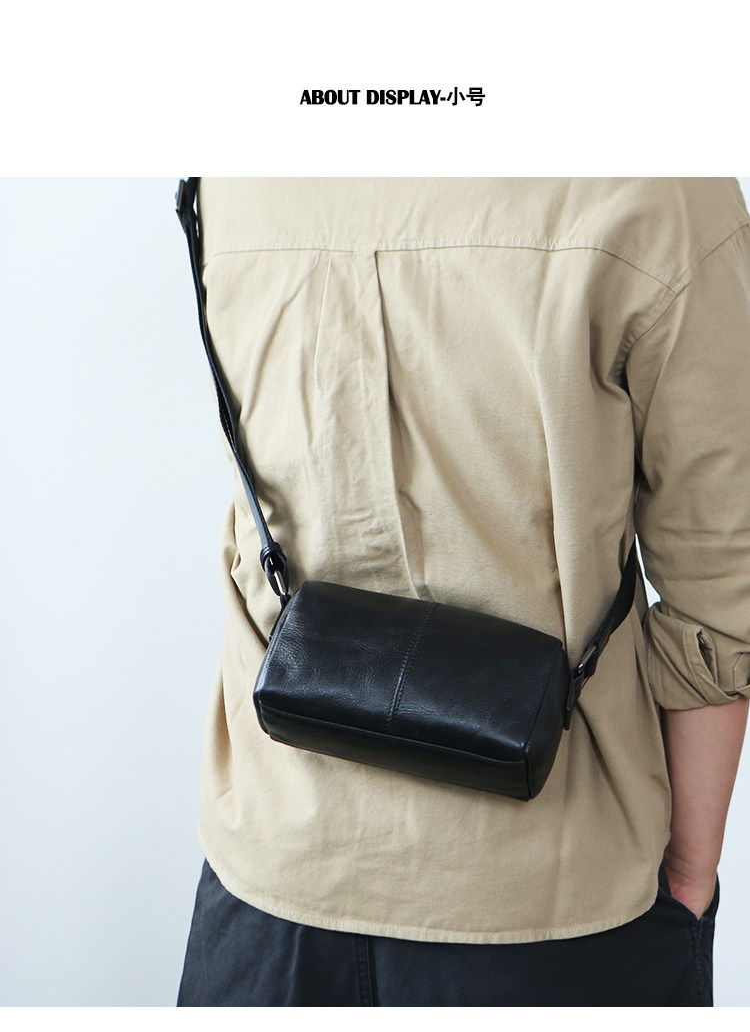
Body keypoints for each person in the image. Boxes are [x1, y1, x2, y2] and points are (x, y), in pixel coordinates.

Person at [175, 177, 750, 1006]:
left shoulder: (233, 164)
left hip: (270, 877)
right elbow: (724, 587)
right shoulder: (660, 184)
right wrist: (689, 878)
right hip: (557, 896)